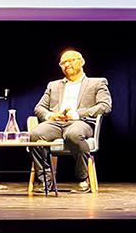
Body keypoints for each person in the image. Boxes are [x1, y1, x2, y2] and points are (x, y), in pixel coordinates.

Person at [29, 49, 111, 194]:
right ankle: (45, 181)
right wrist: (50, 116)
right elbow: (39, 107)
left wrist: (77, 114)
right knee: (35, 135)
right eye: (63, 63)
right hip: (56, 123)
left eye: (71, 60)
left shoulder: (97, 82)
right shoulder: (53, 85)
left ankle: (82, 179)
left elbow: (105, 106)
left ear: (82, 61)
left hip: (81, 122)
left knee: (73, 134)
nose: (67, 64)